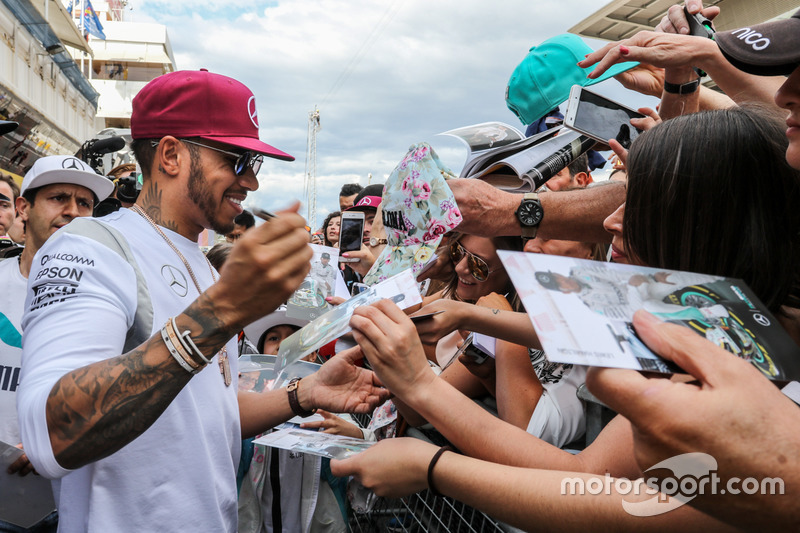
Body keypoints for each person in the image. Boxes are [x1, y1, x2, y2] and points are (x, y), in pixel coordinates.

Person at [332, 105, 800, 531]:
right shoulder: (714, 315)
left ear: (709, 223)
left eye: (640, 206)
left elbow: (586, 483)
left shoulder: (734, 354)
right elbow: (566, 324)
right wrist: (468, 316)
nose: (611, 221)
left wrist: (429, 441)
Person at [17, 70, 389, 531]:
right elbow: (51, 434)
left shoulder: (205, 265)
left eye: (255, 164)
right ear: (171, 154)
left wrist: (305, 394)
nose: (250, 181)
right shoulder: (91, 246)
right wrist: (221, 313)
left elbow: (206, 410)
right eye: (237, 159)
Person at [0, 155, 113, 532]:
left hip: (67, 496)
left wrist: (53, 441)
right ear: (23, 207)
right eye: (58, 198)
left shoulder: (112, 297)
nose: (73, 212)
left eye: (85, 204)